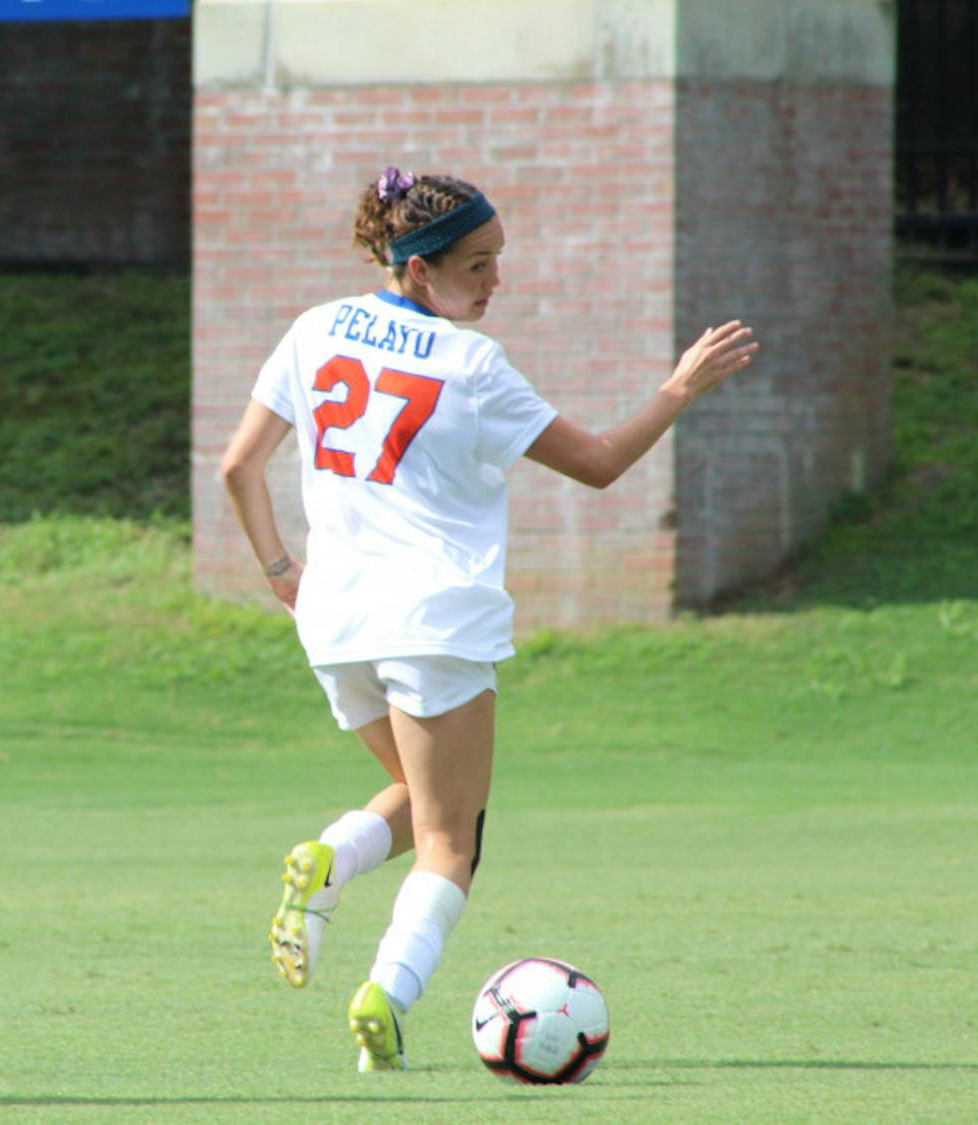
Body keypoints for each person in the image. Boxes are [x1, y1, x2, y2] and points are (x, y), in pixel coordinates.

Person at [219, 167, 757, 1071]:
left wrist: (280, 570)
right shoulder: (471, 365)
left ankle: (327, 863)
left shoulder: (315, 329)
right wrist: (679, 389)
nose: (495, 282)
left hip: (334, 622)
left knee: (432, 805)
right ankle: (384, 994)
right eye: (478, 264)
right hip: (433, 619)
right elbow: (596, 463)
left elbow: (238, 468)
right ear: (420, 270)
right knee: (451, 837)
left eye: (499, 259)